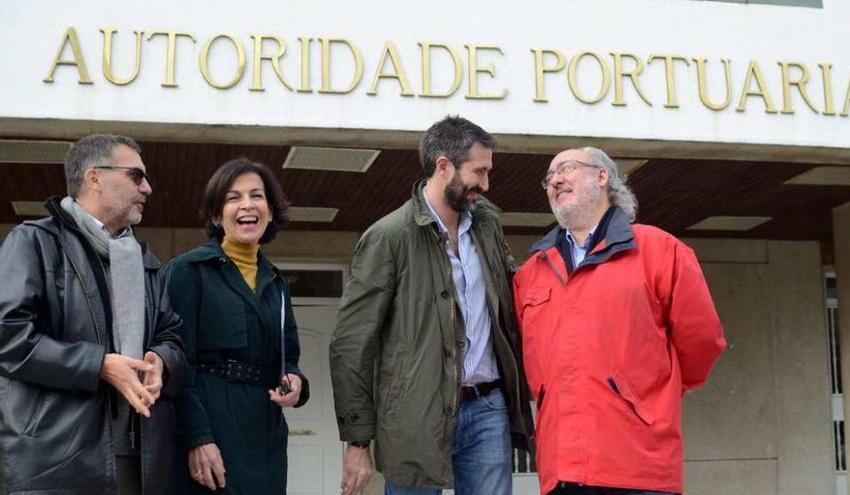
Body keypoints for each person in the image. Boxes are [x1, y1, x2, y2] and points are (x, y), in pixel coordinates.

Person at [330, 116, 534, 495]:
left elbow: (512, 303)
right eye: (479, 171)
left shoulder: (488, 225)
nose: (486, 184)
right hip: (414, 417)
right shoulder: (388, 237)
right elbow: (351, 344)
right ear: (444, 166)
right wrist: (358, 440)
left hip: (488, 408)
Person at [513, 147, 727, 495]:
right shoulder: (531, 273)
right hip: (561, 466)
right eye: (548, 177)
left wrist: (644, 395)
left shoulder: (660, 250)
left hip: (638, 463)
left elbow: (702, 340)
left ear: (602, 177)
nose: (554, 180)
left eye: (566, 168)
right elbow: (531, 362)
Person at [0, 133, 187, 494]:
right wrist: (98, 364)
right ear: (95, 177)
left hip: (143, 459)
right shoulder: (33, 242)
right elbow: (8, 334)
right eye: (137, 176)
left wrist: (162, 360)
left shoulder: (147, 263)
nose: (147, 188)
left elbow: (172, 337)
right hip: (57, 460)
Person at [166, 157, 309, 495]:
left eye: (257, 196)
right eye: (233, 198)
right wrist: (198, 438)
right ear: (217, 215)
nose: (247, 205)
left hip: (267, 435)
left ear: (271, 211)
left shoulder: (277, 283)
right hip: (214, 428)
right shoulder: (188, 271)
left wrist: (296, 381)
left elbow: (289, 358)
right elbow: (176, 365)